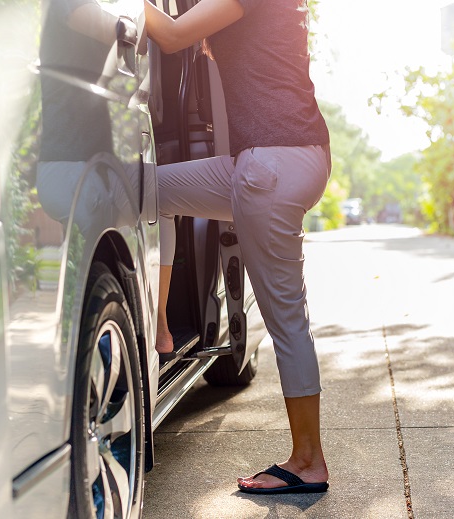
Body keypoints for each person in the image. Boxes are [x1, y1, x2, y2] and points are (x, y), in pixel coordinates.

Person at [144, 0, 331, 494]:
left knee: (288, 321)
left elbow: (169, 33)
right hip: (277, 160)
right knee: (146, 190)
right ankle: (160, 325)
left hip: (271, 163)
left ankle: (307, 461)